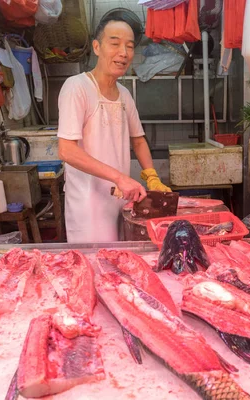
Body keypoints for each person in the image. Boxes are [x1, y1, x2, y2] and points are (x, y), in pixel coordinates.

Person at [57, 16, 171, 244]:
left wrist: (152, 176)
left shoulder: (125, 95)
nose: (124, 52)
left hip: (121, 196)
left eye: (129, 46)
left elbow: (138, 140)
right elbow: (67, 151)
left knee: (121, 260)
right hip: (88, 203)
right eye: (115, 43)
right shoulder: (77, 87)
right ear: (97, 47)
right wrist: (120, 177)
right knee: (96, 264)